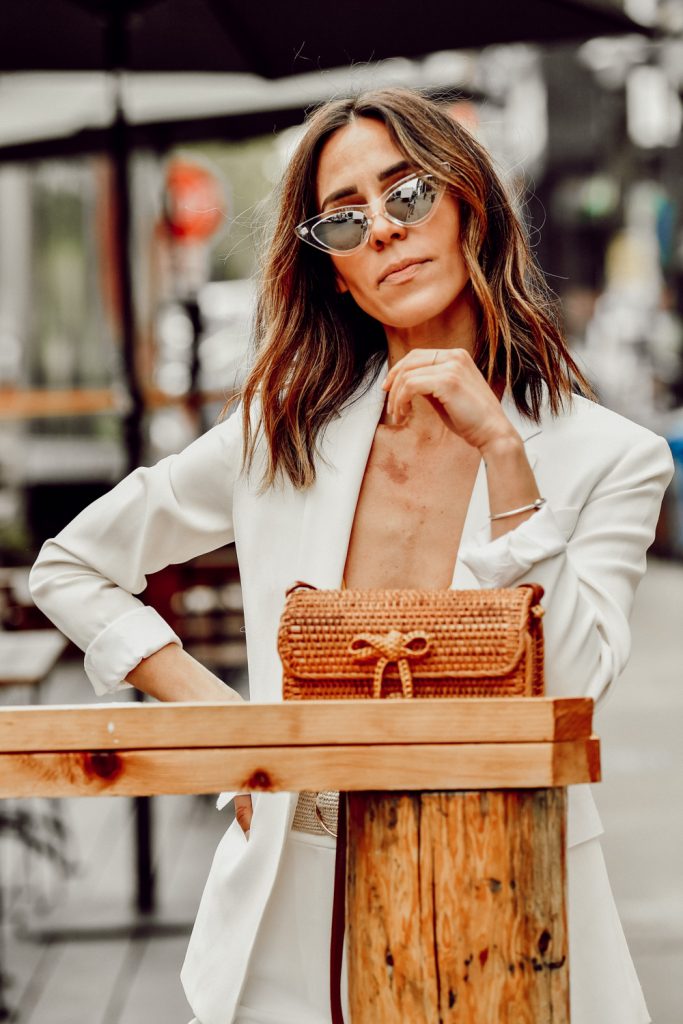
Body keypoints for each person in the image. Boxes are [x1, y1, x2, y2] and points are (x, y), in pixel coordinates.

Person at [29, 88, 672, 1024]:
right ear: (334, 272)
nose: (381, 230)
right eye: (344, 218)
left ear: (468, 208)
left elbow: (568, 686)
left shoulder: (611, 457)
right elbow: (69, 565)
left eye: (407, 195)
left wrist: (505, 459)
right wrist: (227, 728)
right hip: (297, 904)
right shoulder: (283, 435)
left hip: (510, 905)